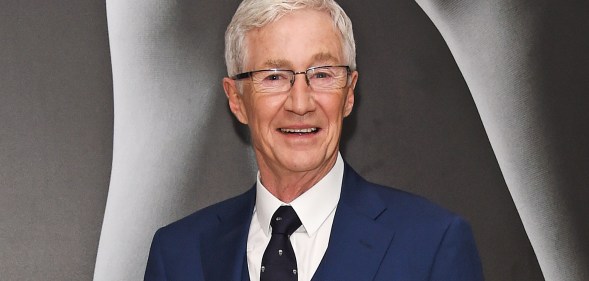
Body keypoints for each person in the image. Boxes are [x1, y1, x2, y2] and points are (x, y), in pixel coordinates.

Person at [144, 0, 484, 280]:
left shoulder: (432, 244)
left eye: (322, 74)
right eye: (274, 76)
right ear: (236, 99)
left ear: (349, 93)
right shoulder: (176, 255)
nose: (301, 103)